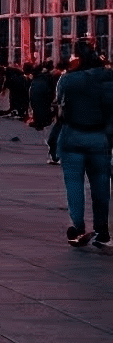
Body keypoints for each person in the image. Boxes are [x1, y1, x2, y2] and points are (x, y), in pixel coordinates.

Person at [53, 40, 113, 247]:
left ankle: (78, 226)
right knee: (101, 185)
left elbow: (59, 107)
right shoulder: (108, 80)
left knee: (74, 184)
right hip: (99, 138)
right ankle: (102, 231)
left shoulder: (69, 80)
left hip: (72, 136)